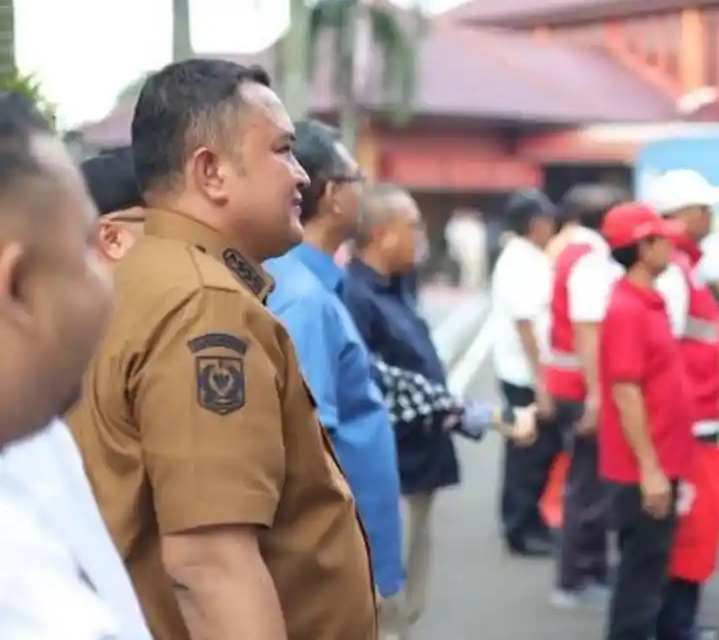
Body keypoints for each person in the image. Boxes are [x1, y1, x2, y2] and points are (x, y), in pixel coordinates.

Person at [66, 59, 376, 640]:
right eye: (282, 150)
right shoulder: (206, 305)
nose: (302, 176)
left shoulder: (140, 275)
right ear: (210, 172)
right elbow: (210, 565)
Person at [344, 187, 530, 639]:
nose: (421, 238)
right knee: (385, 602)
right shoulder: (356, 297)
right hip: (393, 471)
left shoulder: (396, 287)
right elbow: (391, 385)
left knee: (409, 602)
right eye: (413, 227)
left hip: (420, 466)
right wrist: (488, 416)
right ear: (381, 234)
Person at [0, 92, 149, 639]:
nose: (108, 279)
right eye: (88, 248)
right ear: (16, 286)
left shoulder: (33, 435)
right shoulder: (30, 609)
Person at [262, 120, 405, 631]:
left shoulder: (315, 283)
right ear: (331, 194)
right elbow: (309, 442)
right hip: (336, 554)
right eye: (356, 177)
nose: (364, 189)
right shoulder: (303, 295)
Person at [596, 201, 695, 640]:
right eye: (660, 238)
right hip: (640, 471)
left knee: (649, 574)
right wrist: (651, 471)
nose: (670, 245)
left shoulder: (647, 301)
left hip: (659, 463)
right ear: (642, 247)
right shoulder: (626, 309)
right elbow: (625, 391)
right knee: (639, 584)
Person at [645, 169, 719, 640]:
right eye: (704, 208)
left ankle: (680, 623)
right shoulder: (674, 275)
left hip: (696, 423)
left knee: (691, 530)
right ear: (678, 217)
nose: (710, 216)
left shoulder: (683, 267)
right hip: (687, 428)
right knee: (685, 534)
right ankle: (675, 628)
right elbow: (662, 358)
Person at [542, 182, 627, 609]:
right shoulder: (590, 260)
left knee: (585, 481)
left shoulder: (566, 252)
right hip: (581, 385)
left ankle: (585, 570)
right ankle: (577, 576)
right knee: (588, 485)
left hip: (566, 378)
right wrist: (598, 396)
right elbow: (588, 333)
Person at [491, 191, 560, 556]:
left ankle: (532, 521)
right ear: (535, 224)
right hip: (524, 375)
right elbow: (526, 325)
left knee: (536, 454)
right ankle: (519, 528)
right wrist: (543, 382)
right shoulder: (520, 261)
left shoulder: (530, 257)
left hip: (528, 373)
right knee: (526, 455)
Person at [445, 207, 487, 290]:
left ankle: (476, 284)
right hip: (463, 250)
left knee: (477, 266)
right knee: (465, 267)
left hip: (476, 251)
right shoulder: (455, 224)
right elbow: (451, 236)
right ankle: (466, 284)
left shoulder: (478, 225)